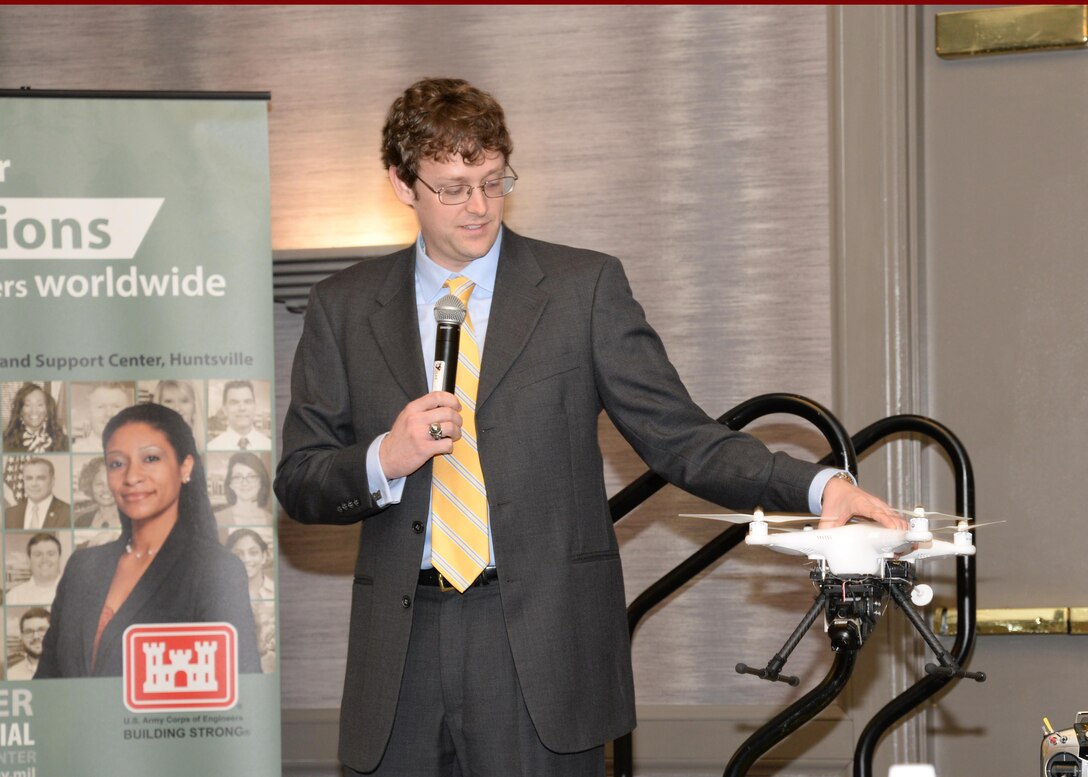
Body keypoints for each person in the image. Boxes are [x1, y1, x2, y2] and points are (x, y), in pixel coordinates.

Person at [274, 77, 904, 777]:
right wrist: (385, 457)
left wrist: (819, 488)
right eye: (453, 187)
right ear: (401, 183)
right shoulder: (343, 306)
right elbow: (299, 480)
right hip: (400, 654)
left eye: (493, 180)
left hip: (540, 650)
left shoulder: (583, 289)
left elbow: (682, 436)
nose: (479, 206)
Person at [35, 403, 260, 678]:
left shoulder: (215, 570)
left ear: (184, 467)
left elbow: (240, 693)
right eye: (117, 463)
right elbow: (45, 688)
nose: (131, 477)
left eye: (151, 458)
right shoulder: (81, 568)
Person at [5, 458, 70, 529]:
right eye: (29, 478)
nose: (34, 484)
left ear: (52, 481)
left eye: (40, 478)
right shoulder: (9, 514)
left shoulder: (68, 513)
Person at [3, 382, 69, 452]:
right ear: (20, 411)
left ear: (47, 410)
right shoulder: (5, 442)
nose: (34, 410)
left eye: (40, 405)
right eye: (28, 405)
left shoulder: (63, 442)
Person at [207, 380, 271, 451]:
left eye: (247, 402)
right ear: (224, 409)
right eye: (234, 403)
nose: (242, 408)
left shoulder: (268, 445)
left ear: (255, 407)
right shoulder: (212, 447)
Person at [215, 452, 274, 526]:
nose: (245, 483)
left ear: (261, 481)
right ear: (230, 483)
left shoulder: (272, 520)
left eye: (252, 476)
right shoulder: (216, 519)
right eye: (238, 477)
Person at [71, 382, 132, 453]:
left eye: (116, 406)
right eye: (101, 407)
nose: (109, 414)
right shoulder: (76, 450)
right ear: (89, 412)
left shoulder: (138, 448)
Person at [5, 533, 63, 605]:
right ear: (29, 560)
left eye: (51, 554)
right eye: (38, 554)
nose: (44, 559)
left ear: (59, 558)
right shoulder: (13, 597)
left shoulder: (75, 591)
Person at [153, 379, 205, 447]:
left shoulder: (209, 444)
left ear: (194, 406)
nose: (177, 408)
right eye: (168, 401)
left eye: (184, 401)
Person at [225, 528, 275, 599]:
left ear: (264, 556)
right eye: (238, 554)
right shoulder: (220, 593)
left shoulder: (276, 589)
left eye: (253, 552)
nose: (246, 559)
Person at [74, 456, 121, 529]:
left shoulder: (134, 520)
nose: (106, 490)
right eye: (99, 484)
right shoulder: (80, 522)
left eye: (111, 483)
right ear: (90, 486)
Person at [7, 607, 50, 680]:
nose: (36, 636)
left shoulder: (67, 670)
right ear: (21, 637)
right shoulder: (10, 675)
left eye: (42, 630)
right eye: (29, 631)